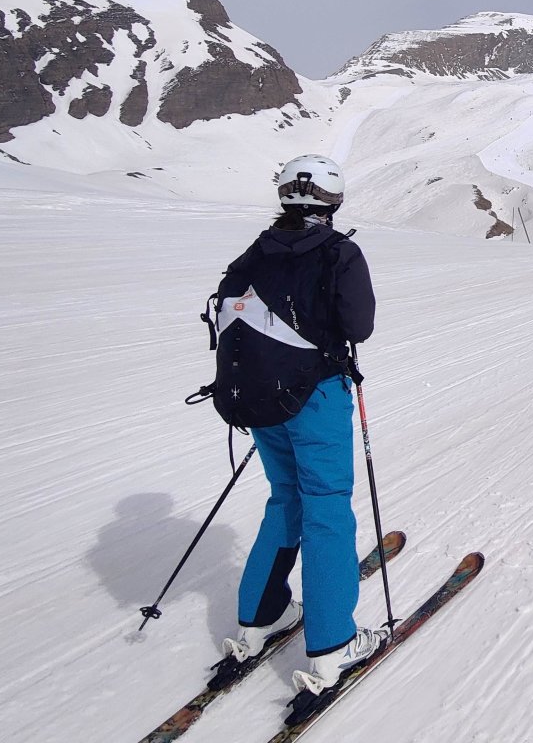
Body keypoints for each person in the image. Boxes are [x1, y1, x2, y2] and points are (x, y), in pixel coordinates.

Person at [216, 154, 389, 695]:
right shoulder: (340, 254)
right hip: (314, 397)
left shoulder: (252, 254)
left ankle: (260, 616)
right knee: (327, 508)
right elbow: (359, 325)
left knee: (286, 498)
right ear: (333, 203)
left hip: (258, 399)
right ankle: (334, 644)